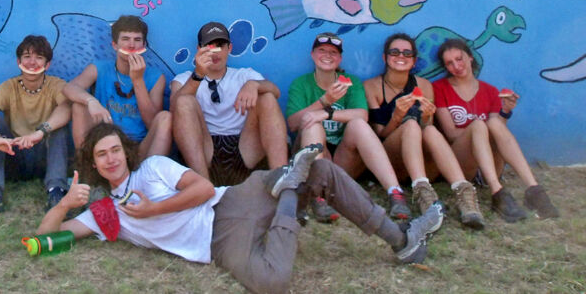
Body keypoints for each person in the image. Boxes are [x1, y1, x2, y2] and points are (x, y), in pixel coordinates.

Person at [36, 123, 444, 294]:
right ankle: (289, 192)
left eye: (114, 151)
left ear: (124, 151)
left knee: (321, 170)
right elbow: (43, 242)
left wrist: (151, 212)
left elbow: (199, 190)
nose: (110, 159)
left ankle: (403, 242)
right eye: (100, 155)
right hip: (218, 241)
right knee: (273, 282)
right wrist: (66, 206)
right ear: (93, 162)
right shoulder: (107, 213)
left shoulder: (154, 169)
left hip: (231, 200)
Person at [364, 33, 485, 229]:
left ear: (414, 61)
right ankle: (422, 192)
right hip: (390, 162)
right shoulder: (371, 86)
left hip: (421, 159)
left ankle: (464, 193)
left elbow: (426, 129)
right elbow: (379, 135)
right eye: (394, 52)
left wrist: (428, 117)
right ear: (385, 58)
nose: (400, 56)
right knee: (411, 125)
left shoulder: (424, 86)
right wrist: (397, 117)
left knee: (429, 131)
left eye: (406, 53)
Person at [286, 32, 411, 220]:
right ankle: (319, 196)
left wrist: (327, 112)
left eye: (333, 52)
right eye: (322, 50)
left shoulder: (351, 83)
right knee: (313, 125)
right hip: (315, 156)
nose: (327, 55)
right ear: (313, 55)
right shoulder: (301, 84)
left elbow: (362, 114)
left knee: (359, 125)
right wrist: (324, 101)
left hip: (344, 159)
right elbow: (294, 124)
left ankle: (395, 193)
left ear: (340, 58)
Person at [432, 38, 559, 221]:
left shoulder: (490, 91)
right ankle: (497, 192)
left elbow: (499, 133)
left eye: (459, 59)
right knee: (479, 125)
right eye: (449, 63)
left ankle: (533, 189)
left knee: (494, 123)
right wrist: (477, 130)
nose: (456, 66)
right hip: (462, 163)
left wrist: (505, 111)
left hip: (490, 163)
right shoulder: (440, 88)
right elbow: (451, 133)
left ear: (470, 57)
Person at [0, 35, 71, 221]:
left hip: (44, 158)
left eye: (39, 57)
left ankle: (56, 192)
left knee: (58, 128)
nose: (32, 62)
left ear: (48, 64)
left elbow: (67, 108)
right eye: (27, 56)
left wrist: (40, 133)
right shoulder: (9, 86)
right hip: (14, 156)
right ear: (18, 61)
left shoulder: (56, 85)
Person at [171, 21, 288, 186]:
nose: (215, 52)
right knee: (183, 101)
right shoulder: (184, 79)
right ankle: (202, 189)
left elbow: (275, 91)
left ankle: (282, 180)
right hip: (205, 149)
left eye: (220, 45)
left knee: (266, 96)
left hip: (245, 147)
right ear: (199, 50)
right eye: (209, 46)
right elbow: (174, 108)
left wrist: (254, 85)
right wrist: (198, 75)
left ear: (229, 48)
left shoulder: (244, 75)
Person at [63, 15, 170, 158]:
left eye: (137, 40)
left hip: (139, 147)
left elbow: (152, 123)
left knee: (165, 117)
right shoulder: (99, 68)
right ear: (115, 45)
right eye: (125, 39)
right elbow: (69, 88)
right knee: (79, 105)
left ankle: (151, 175)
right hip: (104, 144)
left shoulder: (156, 76)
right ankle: (87, 169)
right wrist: (91, 101)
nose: (131, 45)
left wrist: (137, 80)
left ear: (143, 46)